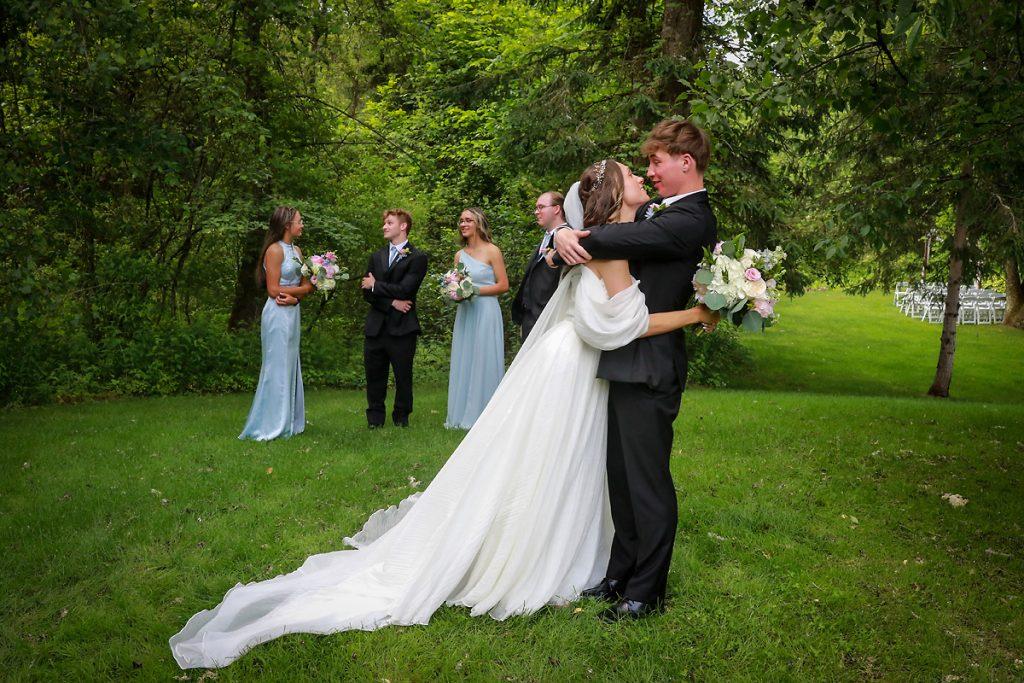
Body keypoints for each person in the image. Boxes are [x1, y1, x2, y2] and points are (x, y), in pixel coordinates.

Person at [169, 159, 718, 669]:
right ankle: (546, 559)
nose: (643, 177)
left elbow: (652, 232)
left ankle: (599, 565)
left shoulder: (612, 234)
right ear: (614, 194)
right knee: (552, 465)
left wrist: (572, 238)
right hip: (575, 366)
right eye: (633, 173)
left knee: (543, 465)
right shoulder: (605, 247)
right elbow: (623, 324)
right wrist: (697, 312)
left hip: (568, 364)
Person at [553, 119, 718, 621]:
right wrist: (560, 230)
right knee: (620, 479)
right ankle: (619, 574)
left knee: (648, 481)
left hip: (654, 363)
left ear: (684, 162)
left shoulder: (694, 219)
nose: (650, 172)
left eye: (656, 162)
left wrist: (565, 234)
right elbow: (613, 221)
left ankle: (647, 591)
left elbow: (616, 241)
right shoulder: (654, 208)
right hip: (623, 357)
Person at [239, 206, 314, 441]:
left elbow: (309, 286)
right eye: (299, 221)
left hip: (292, 310)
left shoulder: (298, 250)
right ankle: (271, 423)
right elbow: (273, 289)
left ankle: (291, 421)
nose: (302, 225)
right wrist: (300, 291)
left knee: (291, 364)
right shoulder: (274, 250)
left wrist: (296, 296)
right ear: (286, 225)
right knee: (277, 366)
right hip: (277, 314)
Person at [360, 209, 429, 428]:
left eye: (389, 222)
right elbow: (365, 293)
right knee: (374, 375)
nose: (384, 226)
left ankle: (401, 418)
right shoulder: (376, 256)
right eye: (384, 223)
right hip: (376, 326)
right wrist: (392, 302)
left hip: (403, 327)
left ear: (403, 226)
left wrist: (377, 286)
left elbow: (406, 289)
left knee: (402, 375)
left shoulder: (417, 257)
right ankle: (375, 420)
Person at [444, 207, 509, 429]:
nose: (463, 224)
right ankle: (460, 414)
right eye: (461, 220)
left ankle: (486, 415)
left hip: (486, 311)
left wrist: (475, 291)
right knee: (466, 358)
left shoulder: (493, 251)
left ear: (478, 223)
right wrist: (455, 293)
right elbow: (458, 283)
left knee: (484, 358)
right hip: (467, 312)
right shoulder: (459, 256)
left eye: (468, 220)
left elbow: (503, 285)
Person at [511, 192, 568, 342]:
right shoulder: (547, 237)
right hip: (531, 317)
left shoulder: (566, 237)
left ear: (556, 209)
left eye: (541, 207)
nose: (536, 212)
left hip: (550, 318)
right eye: (536, 208)